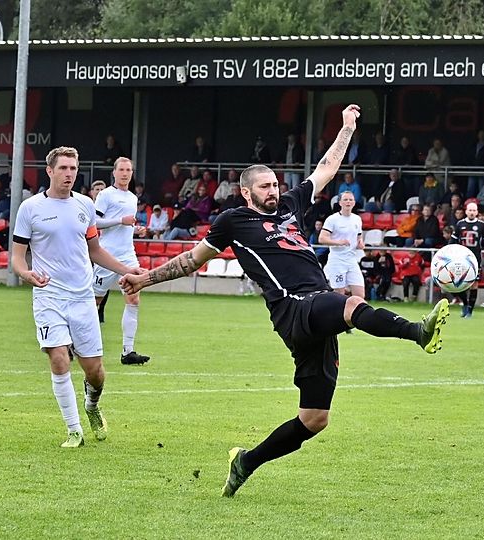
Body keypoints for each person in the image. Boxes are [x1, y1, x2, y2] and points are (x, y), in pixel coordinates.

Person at [119, 105, 450, 498]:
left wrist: (346, 128)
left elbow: (326, 168)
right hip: (293, 309)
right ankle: (417, 332)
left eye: (275, 185)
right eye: (264, 187)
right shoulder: (233, 222)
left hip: (315, 310)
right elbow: (192, 259)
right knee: (347, 305)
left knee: (314, 419)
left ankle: (246, 462)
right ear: (246, 192)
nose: (273, 191)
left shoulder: (292, 206)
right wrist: (145, 278)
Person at [12, 146, 143, 448]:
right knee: (58, 358)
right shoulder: (30, 208)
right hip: (48, 296)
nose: (69, 174)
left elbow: (95, 251)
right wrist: (26, 273)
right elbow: (17, 257)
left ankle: (92, 404)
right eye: (63, 168)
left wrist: (127, 269)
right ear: (50, 171)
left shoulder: (85, 204)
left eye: (73, 168)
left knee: (95, 372)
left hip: (82, 298)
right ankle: (74, 431)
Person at [92, 157, 151, 366]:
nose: (125, 173)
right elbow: (95, 222)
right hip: (106, 255)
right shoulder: (105, 195)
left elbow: (124, 227)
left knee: (134, 299)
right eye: (122, 170)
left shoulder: (133, 198)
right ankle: (76, 342)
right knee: (94, 303)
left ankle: (128, 351)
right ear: (114, 173)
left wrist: (136, 229)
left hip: (128, 254)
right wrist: (121, 220)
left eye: (129, 170)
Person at [451, 201, 484, 318]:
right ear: (466, 211)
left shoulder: (481, 225)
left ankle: (470, 310)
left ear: (477, 212)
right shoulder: (460, 224)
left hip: (475, 259)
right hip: (461, 259)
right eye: (470, 210)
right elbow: (452, 242)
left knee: (474, 284)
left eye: (474, 210)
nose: (472, 212)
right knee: (457, 284)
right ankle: (465, 303)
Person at [319, 191, 366, 299]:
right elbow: (322, 238)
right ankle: (337, 315)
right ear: (340, 202)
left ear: (354, 202)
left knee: (360, 295)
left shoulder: (357, 219)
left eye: (351, 200)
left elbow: (359, 236)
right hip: (337, 261)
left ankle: (357, 315)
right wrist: (338, 242)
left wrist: (360, 242)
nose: (348, 202)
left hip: (351, 260)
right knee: (339, 295)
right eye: (345, 200)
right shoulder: (332, 219)